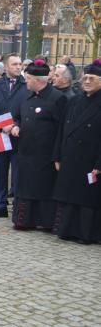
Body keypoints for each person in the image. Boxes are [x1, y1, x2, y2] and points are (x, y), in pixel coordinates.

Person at [9, 59, 66, 230]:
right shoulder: (27, 97)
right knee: (25, 187)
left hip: (45, 155)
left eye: (27, 78)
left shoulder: (58, 98)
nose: (25, 81)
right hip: (26, 152)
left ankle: (44, 221)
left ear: (37, 80)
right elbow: (18, 116)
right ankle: (24, 220)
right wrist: (17, 126)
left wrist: (57, 155)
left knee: (42, 188)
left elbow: (62, 129)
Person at [52, 59, 101, 244]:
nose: (87, 81)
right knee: (69, 195)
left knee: (86, 199)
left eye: (92, 78)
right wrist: (57, 154)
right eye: (85, 77)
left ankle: (86, 234)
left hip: (91, 159)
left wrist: (99, 164)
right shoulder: (74, 100)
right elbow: (62, 130)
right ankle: (67, 230)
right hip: (70, 157)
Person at [0, 53, 29, 218]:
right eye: (15, 64)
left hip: (19, 135)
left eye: (20, 64)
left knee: (18, 173)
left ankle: (18, 207)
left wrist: (15, 125)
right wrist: (4, 125)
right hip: (0, 135)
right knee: (0, 171)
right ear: (6, 66)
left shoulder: (26, 85)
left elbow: (28, 110)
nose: (19, 67)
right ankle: (0, 205)